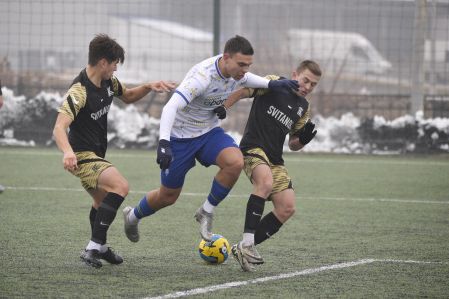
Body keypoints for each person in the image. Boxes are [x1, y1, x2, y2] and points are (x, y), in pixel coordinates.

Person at [122, 35, 299, 244]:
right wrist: (164, 142)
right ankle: (133, 216)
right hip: (180, 138)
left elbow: (247, 79)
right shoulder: (202, 77)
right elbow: (170, 106)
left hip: (208, 132)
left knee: (235, 162)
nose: (245, 69)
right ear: (226, 58)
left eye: (248, 65)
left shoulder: (235, 71)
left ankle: (206, 211)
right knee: (167, 196)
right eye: (241, 64)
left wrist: (272, 85)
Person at [53, 34, 175, 268]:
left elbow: (128, 97)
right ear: (102, 63)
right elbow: (59, 127)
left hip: (97, 155)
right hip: (81, 156)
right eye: (114, 63)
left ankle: (101, 247)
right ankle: (92, 248)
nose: (116, 68)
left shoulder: (109, 83)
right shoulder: (79, 91)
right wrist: (67, 152)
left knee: (101, 201)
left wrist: (149, 86)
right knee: (120, 186)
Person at [225, 60, 322, 271]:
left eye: (313, 84)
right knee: (265, 183)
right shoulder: (273, 83)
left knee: (287, 207)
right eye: (305, 80)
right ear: (294, 73)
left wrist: (303, 140)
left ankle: (242, 248)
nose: (307, 87)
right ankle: (248, 243)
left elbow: (293, 144)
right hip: (252, 149)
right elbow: (243, 91)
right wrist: (223, 107)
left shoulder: (303, 108)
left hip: (275, 159)